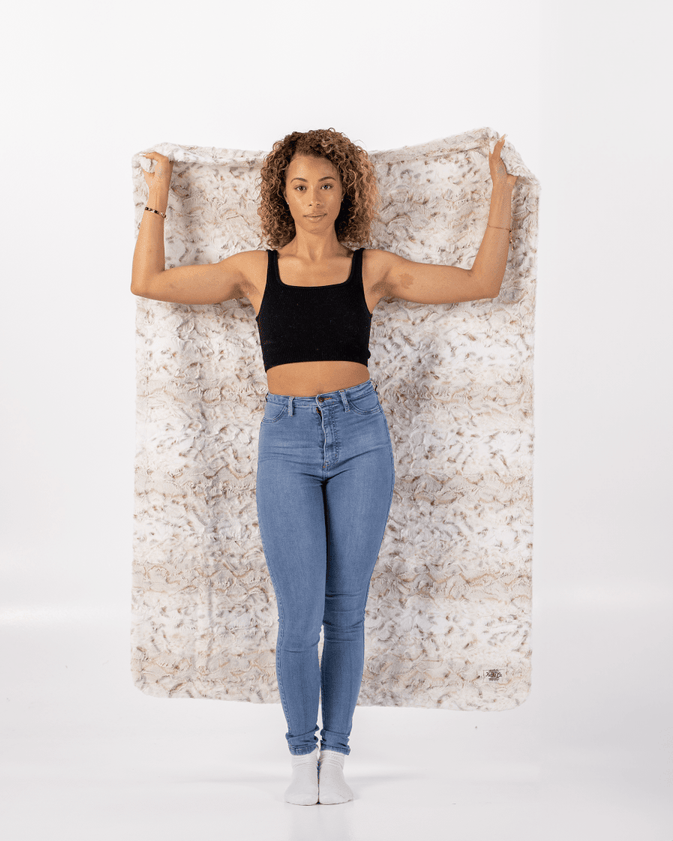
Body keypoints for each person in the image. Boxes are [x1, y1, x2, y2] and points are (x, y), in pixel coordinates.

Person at [131, 128, 517, 805]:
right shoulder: (256, 269)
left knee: (346, 611)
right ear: (282, 193)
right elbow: (148, 282)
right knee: (298, 615)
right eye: (300, 187)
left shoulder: (373, 269)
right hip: (285, 443)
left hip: (362, 435)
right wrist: (159, 192)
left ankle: (334, 760)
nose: (314, 200)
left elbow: (482, 282)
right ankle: (298, 758)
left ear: (348, 191)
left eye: (327, 185)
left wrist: (501, 194)